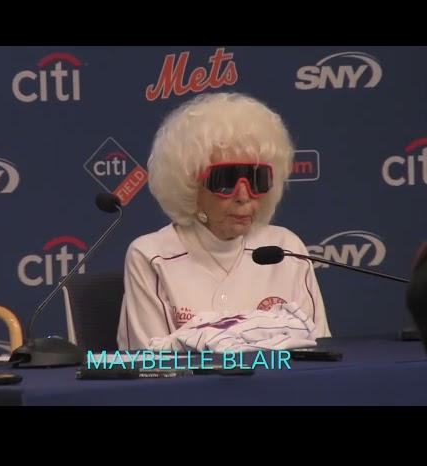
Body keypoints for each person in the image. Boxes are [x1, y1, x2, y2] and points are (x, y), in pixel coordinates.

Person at [117, 92, 331, 350]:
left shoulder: (286, 249)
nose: (243, 196)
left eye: (256, 179)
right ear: (191, 185)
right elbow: (150, 364)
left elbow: (318, 353)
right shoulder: (151, 256)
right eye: (226, 180)